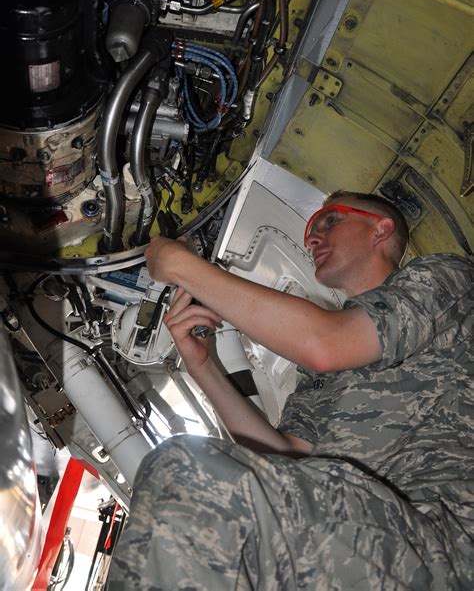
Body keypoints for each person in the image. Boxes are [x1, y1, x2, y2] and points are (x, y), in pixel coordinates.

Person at [107, 190, 473, 590]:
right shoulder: (321, 377)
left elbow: (325, 344)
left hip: (442, 544)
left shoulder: (443, 278)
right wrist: (204, 366)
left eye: (330, 221)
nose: (312, 238)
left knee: (182, 468)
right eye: (310, 230)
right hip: (361, 542)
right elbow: (284, 455)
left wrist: (182, 266)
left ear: (381, 228)